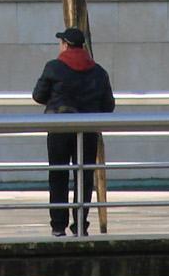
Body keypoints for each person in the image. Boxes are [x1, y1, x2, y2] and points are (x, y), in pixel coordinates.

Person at [31, 26, 114, 238]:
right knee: (84, 177)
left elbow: (38, 95)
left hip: (59, 129)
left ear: (65, 45)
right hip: (87, 130)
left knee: (58, 175)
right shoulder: (99, 72)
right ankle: (80, 225)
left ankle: (58, 226)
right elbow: (108, 105)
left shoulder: (53, 68)